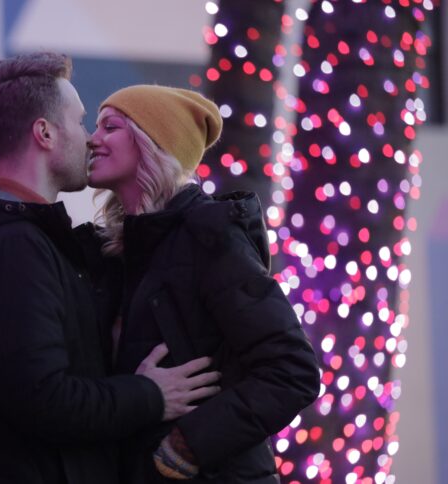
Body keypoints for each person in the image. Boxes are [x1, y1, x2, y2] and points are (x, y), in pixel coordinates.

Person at [0, 54, 220, 484]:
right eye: (80, 122)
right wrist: (149, 395)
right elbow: (44, 399)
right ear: (45, 133)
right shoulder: (10, 248)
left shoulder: (13, 237)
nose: (91, 139)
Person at [87, 85, 321, 483]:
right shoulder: (123, 250)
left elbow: (293, 370)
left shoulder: (209, 237)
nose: (93, 140)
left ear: (151, 142)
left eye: (110, 127)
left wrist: (186, 445)